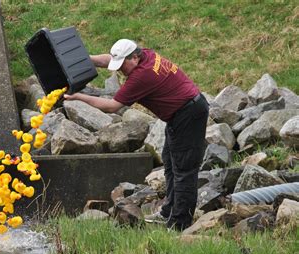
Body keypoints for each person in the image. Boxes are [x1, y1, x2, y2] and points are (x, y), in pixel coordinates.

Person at [64, 39, 209, 231]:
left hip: (188, 114)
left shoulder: (141, 77)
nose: (121, 70)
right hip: (181, 112)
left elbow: (112, 106)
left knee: (184, 170)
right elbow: (110, 59)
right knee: (170, 160)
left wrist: (78, 96)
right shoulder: (145, 55)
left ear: (134, 57)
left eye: (123, 65)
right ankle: (168, 211)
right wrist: (86, 59)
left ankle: (179, 224)